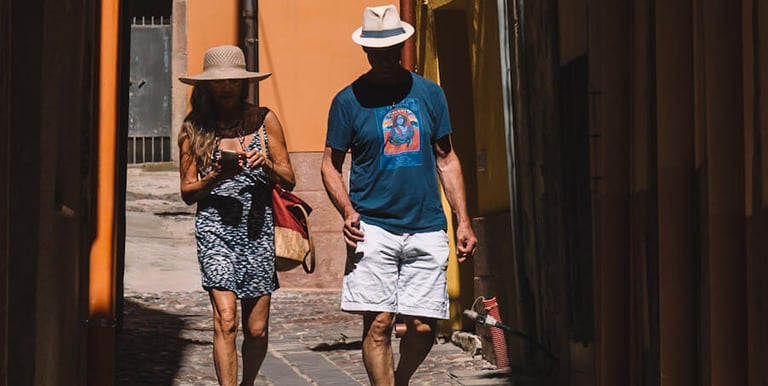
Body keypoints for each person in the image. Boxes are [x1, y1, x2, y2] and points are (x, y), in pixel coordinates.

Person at [320, 5, 478, 385]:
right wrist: (346, 208)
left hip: (425, 224)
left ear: (401, 46)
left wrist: (464, 221)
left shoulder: (429, 94)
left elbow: (447, 158)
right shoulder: (348, 101)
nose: (386, 58)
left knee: (423, 327)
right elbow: (330, 164)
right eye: (378, 52)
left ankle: (400, 379)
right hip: (372, 227)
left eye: (392, 50)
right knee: (379, 324)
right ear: (366, 53)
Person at [177, 45, 295, 386]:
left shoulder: (263, 120)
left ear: (243, 83)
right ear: (207, 86)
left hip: (257, 231)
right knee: (226, 320)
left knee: (256, 331)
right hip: (215, 231)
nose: (226, 87)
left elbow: (289, 178)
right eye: (219, 82)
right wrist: (215, 176)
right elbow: (187, 192)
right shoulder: (194, 129)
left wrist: (266, 164)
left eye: (232, 81)